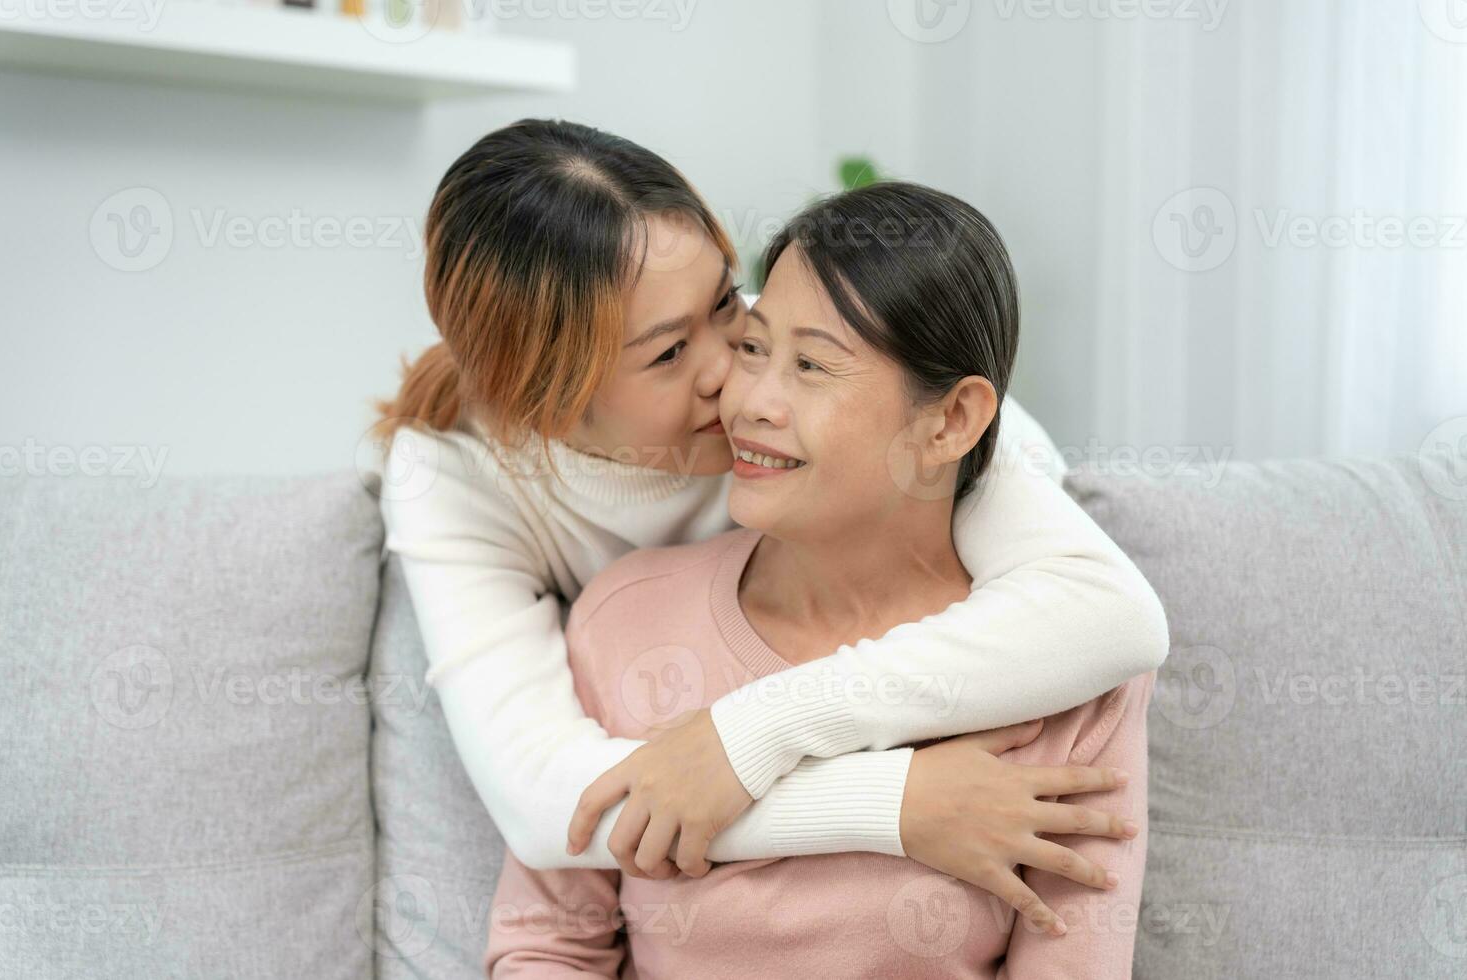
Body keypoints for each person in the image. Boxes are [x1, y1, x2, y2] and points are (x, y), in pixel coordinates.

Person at [371, 120, 1166, 936]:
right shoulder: (456, 472)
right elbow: (545, 799)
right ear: (544, 401)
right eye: (668, 355)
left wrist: (750, 734)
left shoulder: (814, 378)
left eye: (723, 302)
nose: (736, 374)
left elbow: (1112, 612)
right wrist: (891, 802)